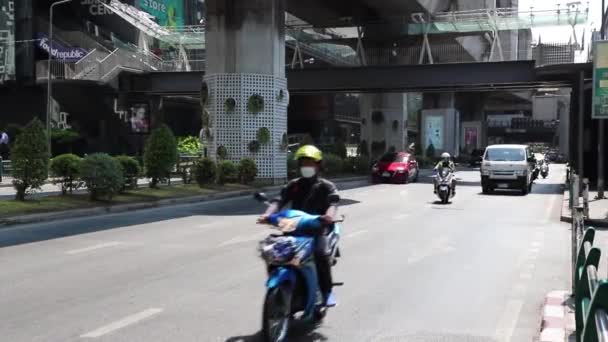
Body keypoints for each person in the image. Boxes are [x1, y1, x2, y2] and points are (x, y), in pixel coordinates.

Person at [258, 145, 340, 307]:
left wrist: (328, 216)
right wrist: (268, 214)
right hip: (293, 228)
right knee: (275, 253)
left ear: (318, 165)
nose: (306, 166)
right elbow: (278, 200)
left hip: (317, 229)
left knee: (321, 254)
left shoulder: (326, 186)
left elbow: (333, 202)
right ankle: (284, 288)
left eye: (310, 163)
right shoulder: (294, 185)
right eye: (303, 163)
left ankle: (327, 291)